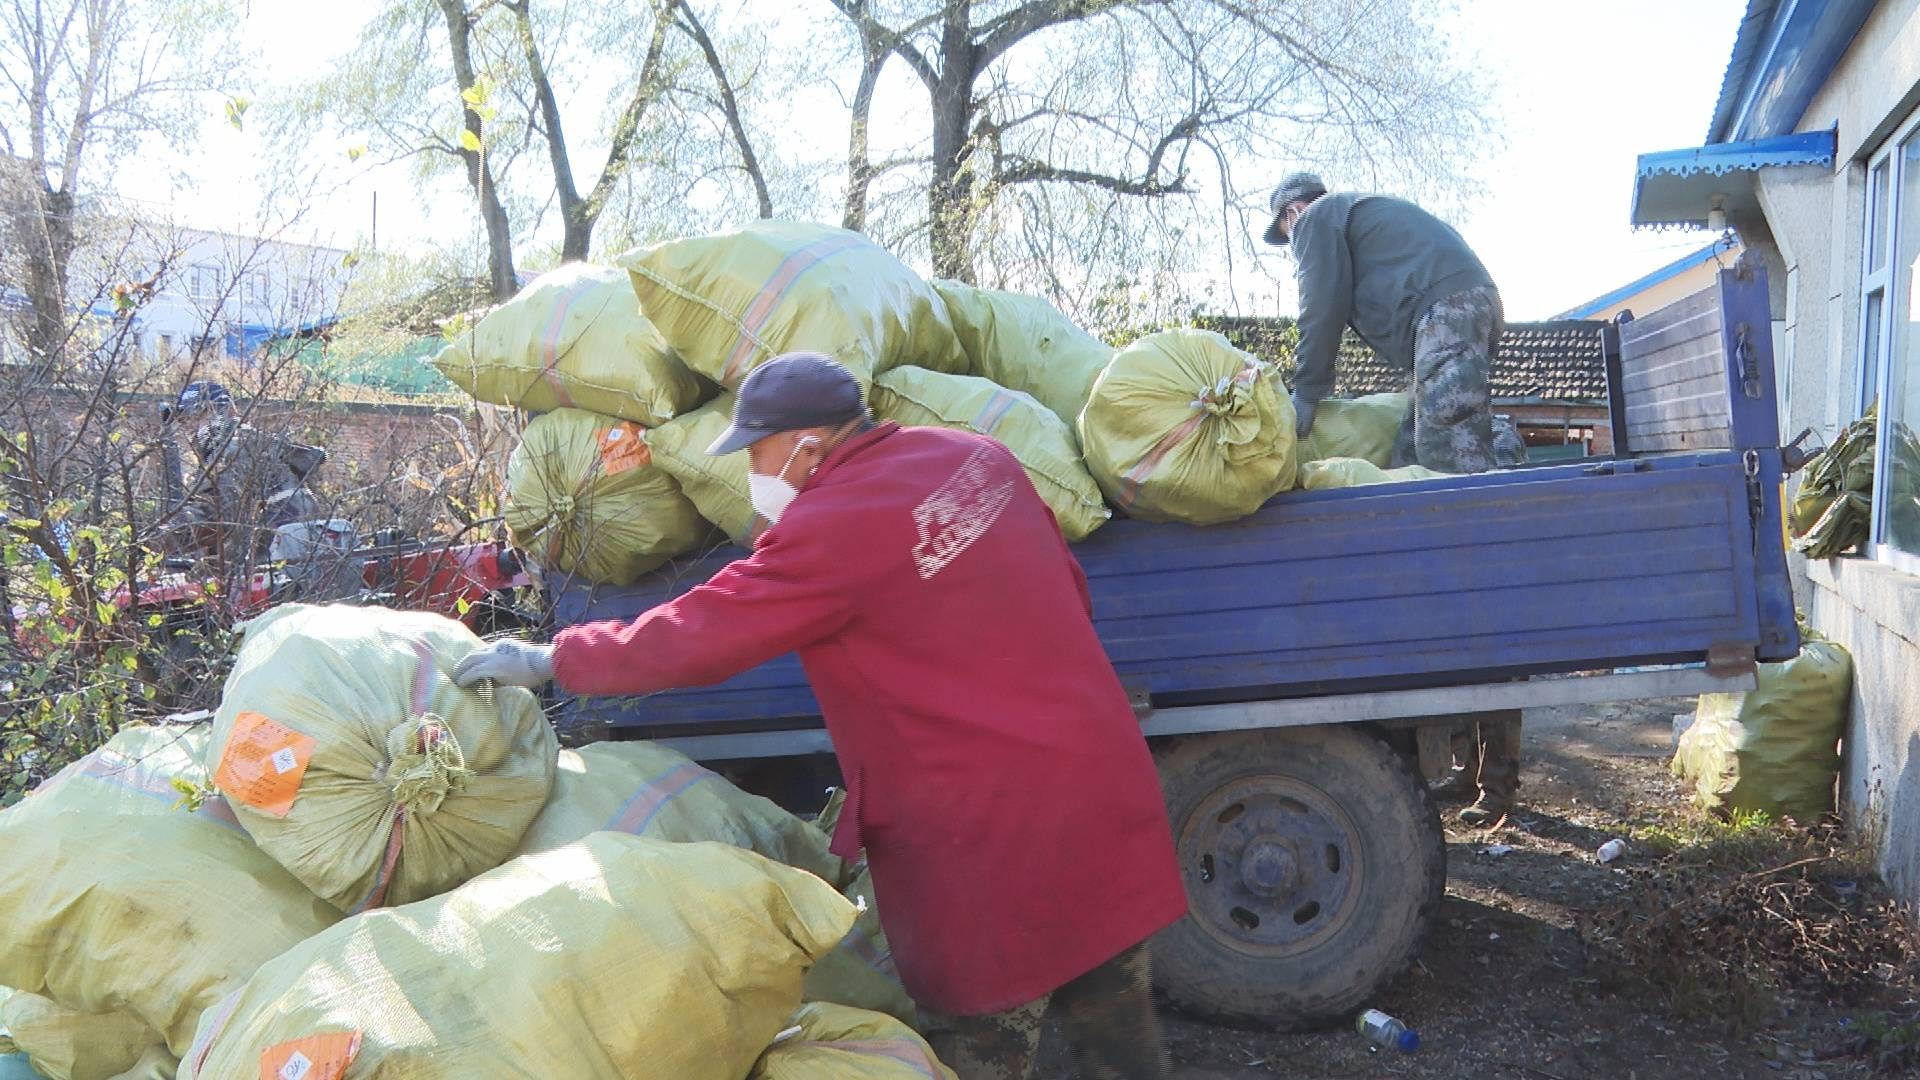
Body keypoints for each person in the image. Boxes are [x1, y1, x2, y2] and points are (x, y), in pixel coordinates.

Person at [455, 352, 1188, 1080]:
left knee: (983, 1043)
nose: (751, 472)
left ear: (808, 447)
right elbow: (1068, 586)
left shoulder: (832, 529)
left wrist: (556, 659)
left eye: (756, 452)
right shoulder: (978, 459)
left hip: (993, 837)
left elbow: (700, 634)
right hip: (1098, 778)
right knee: (1115, 1024)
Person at [1263, 172, 1504, 474]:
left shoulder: (1314, 218)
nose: (1293, 244)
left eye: (1287, 235)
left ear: (1292, 211)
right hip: (1462, 307)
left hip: (1448, 310)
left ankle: (1480, 517)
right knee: (1412, 450)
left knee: (1446, 447)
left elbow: (1321, 307)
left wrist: (1307, 392)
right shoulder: (1354, 211)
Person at [159, 381, 325, 565]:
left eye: (196, 417)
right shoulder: (252, 440)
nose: (189, 427)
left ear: (219, 412)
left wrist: (155, 541)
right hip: (301, 548)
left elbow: (211, 515)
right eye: (184, 420)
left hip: (276, 553)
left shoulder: (230, 451)